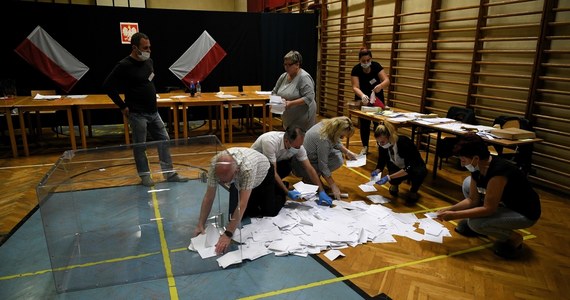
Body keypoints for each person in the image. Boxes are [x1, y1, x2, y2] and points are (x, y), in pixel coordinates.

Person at [103, 32, 188, 187]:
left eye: (149, 47)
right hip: (137, 114)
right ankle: (145, 176)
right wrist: (122, 106)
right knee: (140, 146)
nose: (148, 50)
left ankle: (169, 173)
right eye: (145, 47)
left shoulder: (149, 61)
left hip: (153, 112)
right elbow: (107, 86)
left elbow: (149, 80)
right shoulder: (124, 65)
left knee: (164, 140)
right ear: (135, 48)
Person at [436, 133, 541, 259]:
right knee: (467, 185)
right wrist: (449, 209)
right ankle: (481, 224)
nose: (462, 164)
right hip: (504, 203)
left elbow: (488, 209)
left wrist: (455, 216)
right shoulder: (477, 167)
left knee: (476, 224)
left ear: (475, 158)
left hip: (523, 212)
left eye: (463, 160)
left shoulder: (498, 172)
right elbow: (472, 200)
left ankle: (514, 238)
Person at [193, 147, 285, 254]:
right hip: (240, 181)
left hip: (263, 173)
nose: (223, 183)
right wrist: (200, 223)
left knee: (269, 211)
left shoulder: (247, 169)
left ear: (236, 172)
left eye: (225, 181)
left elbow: (242, 203)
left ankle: (281, 192)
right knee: (238, 216)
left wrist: (228, 234)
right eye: (220, 180)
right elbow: (209, 196)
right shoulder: (215, 165)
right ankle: (255, 198)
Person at [251, 126, 333, 205]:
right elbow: (273, 172)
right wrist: (287, 192)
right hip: (257, 165)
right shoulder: (270, 142)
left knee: (287, 166)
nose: (298, 148)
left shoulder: (298, 146)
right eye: (296, 146)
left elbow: (309, 169)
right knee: (268, 200)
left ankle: (277, 186)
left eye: (300, 145)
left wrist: (321, 190)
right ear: (286, 141)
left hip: (276, 162)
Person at [291, 116, 357, 200]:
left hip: (308, 157)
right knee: (335, 160)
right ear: (337, 131)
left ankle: (314, 179)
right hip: (301, 165)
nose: (342, 138)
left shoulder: (327, 125)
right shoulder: (323, 139)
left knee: (338, 157)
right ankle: (310, 178)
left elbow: (335, 140)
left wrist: (348, 152)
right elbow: (323, 166)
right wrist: (333, 185)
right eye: (341, 136)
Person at [372, 121, 427, 205]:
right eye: (378, 142)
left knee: (419, 173)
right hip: (397, 166)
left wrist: (388, 177)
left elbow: (409, 168)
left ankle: (413, 190)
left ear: (389, 137)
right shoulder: (382, 145)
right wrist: (377, 170)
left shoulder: (404, 142)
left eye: (382, 142)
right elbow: (381, 162)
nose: (380, 144)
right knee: (392, 177)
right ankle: (395, 184)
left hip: (413, 167)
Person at [351, 48, 390, 155]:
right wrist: (362, 95)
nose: (366, 63)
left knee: (379, 123)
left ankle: (380, 144)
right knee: (364, 124)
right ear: (360, 60)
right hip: (363, 100)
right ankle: (365, 146)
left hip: (377, 99)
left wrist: (380, 86)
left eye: (368, 60)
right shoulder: (356, 69)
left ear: (371, 59)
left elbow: (387, 80)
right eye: (363, 61)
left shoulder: (376, 66)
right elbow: (355, 86)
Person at [271, 50, 316, 131]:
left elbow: (309, 97)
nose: (286, 67)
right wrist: (276, 101)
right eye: (285, 64)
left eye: (289, 65)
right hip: (288, 119)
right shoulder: (283, 76)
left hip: (303, 119)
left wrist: (291, 103)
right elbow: (274, 92)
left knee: (299, 141)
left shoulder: (304, 77)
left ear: (297, 65)